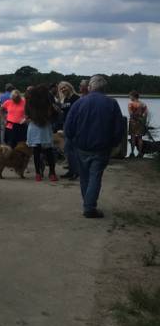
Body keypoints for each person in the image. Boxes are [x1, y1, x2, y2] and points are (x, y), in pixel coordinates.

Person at [64, 75, 124, 218]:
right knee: (95, 176)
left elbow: (68, 127)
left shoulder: (79, 103)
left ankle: (88, 204)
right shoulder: (112, 104)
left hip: (81, 147)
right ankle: (89, 207)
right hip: (102, 148)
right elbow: (118, 128)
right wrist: (114, 143)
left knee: (85, 177)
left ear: (90, 87)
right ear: (104, 89)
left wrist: (72, 141)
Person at [26, 85, 59, 182]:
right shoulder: (48, 102)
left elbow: (28, 114)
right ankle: (52, 173)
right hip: (45, 127)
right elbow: (55, 115)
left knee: (36, 151)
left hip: (34, 126)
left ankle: (38, 174)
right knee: (49, 151)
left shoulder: (30, 102)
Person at [58, 81, 80, 180]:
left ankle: (76, 172)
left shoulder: (76, 98)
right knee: (67, 149)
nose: (63, 89)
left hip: (74, 127)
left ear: (69, 86)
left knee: (73, 149)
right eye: (61, 88)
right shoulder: (65, 99)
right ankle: (71, 170)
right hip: (66, 125)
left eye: (64, 87)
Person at [127, 90, 148, 158]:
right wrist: (142, 120)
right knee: (140, 138)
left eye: (130, 96)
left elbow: (130, 113)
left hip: (133, 122)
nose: (129, 97)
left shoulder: (131, 104)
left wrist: (134, 116)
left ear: (133, 96)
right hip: (141, 122)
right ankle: (140, 153)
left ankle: (132, 153)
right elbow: (146, 113)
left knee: (133, 137)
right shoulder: (143, 104)